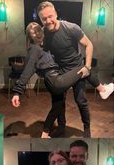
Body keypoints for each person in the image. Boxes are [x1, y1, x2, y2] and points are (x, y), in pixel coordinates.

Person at [11, 22, 114, 138]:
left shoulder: (44, 46)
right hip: (56, 80)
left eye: (38, 31)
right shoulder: (34, 50)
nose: (37, 34)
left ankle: (47, 133)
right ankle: (103, 89)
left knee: (60, 105)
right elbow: (27, 71)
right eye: (34, 33)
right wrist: (17, 92)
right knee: (85, 68)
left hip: (60, 77)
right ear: (30, 37)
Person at [37, 2, 99, 138]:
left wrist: (87, 67)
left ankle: (87, 128)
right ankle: (61, 127)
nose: (48, 21)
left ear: (56, 14)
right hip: (59, 72)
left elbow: (89, 45)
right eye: (44, 18)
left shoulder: (71, 28)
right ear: (40, 19)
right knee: (58, 103)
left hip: (77, 70)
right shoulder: (43, 33)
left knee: (80, 100)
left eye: (50, 16)